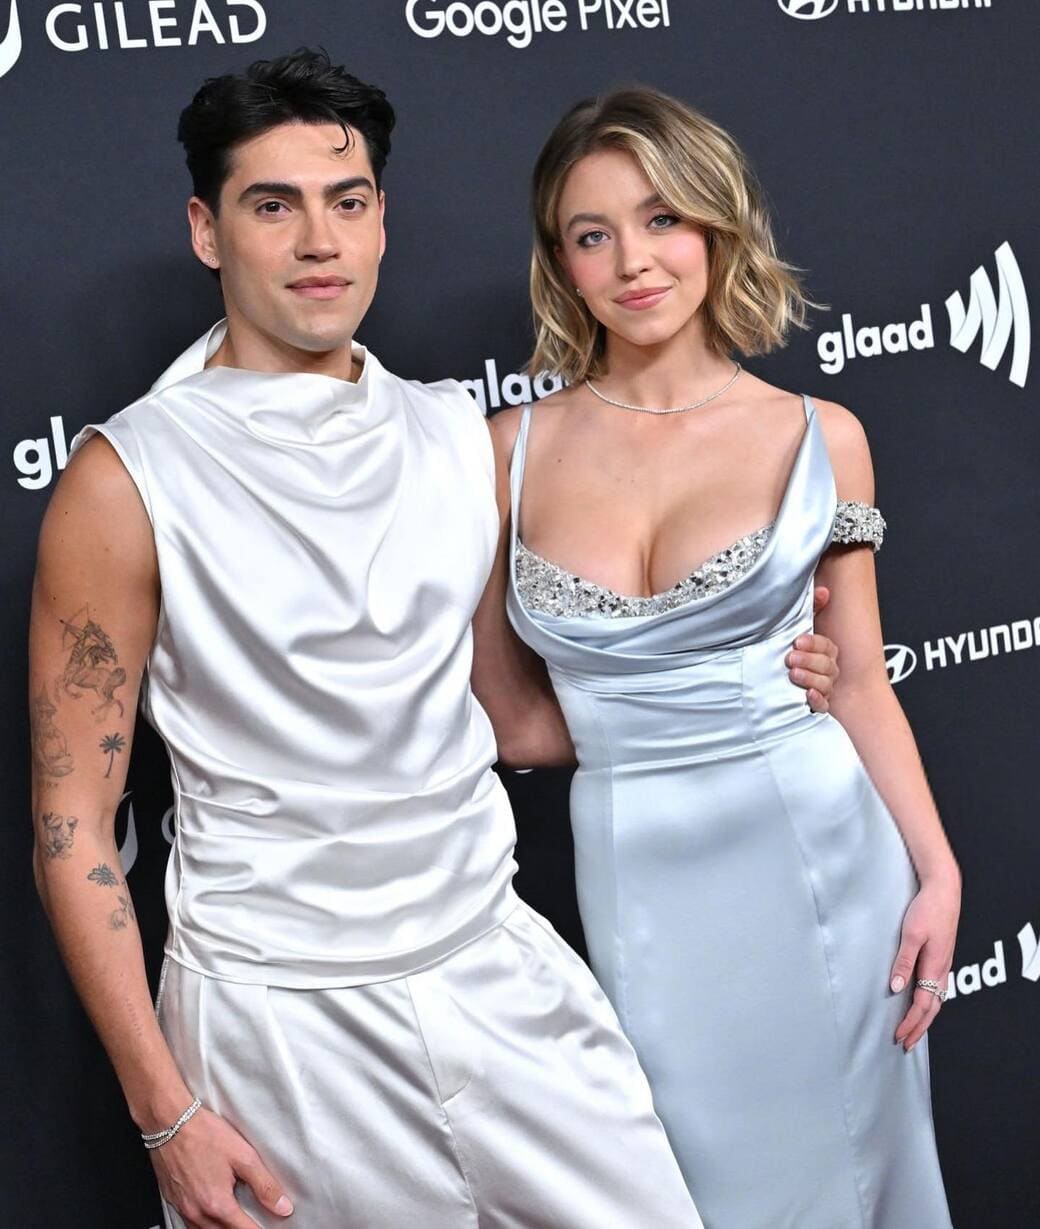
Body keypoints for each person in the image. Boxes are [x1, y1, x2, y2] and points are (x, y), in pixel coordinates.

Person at [28, 51, 837, 1228]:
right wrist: (166, 1111)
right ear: (207, 230)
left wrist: (746, 688)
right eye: (273, 206)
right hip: (275, 1018)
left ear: (380, 219)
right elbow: (73, 825)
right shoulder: (125, 476)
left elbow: (521, 709)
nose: (318, 242)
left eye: (345, 201)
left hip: (493, 968)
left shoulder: (457, 434)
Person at [473, 88, 959, 1229]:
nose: (633, 261)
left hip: (821, 854)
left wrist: (937, 871)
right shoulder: (504, 452)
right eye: (592, 234)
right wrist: (648, 725)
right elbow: (508, 716)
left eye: (662, 219)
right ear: (560, 262)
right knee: (691, 1182)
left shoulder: (819, 436)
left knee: (851, 1176)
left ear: (716, 226)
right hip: (635, 871)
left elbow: (859, 680)